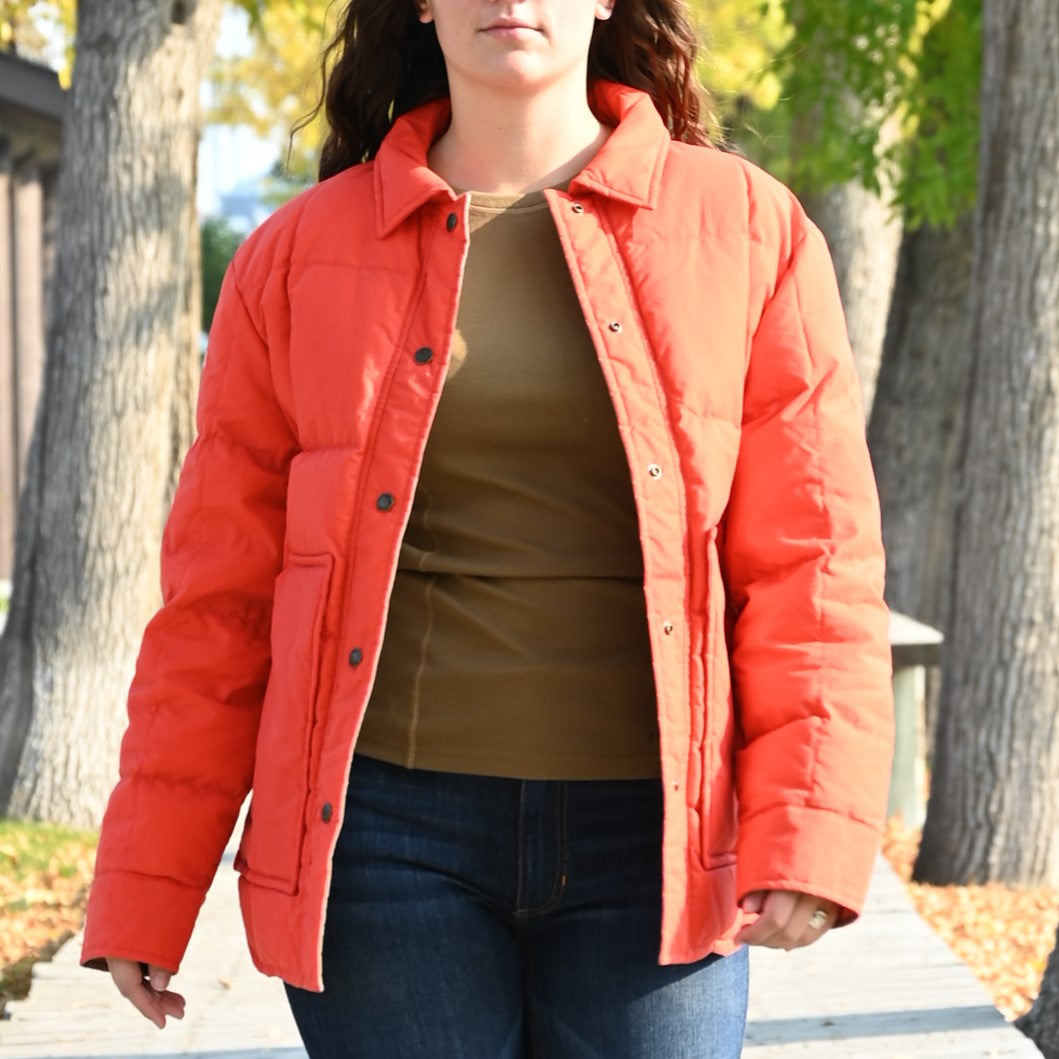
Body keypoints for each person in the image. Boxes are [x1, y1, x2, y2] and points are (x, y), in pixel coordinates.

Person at [81, 0, 895, 1055]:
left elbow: (814, 563)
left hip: (659, 839)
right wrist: (148, 882)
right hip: (380, 843)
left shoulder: (746, 229)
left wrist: (812, 830)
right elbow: (220, 602)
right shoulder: (297, 257)